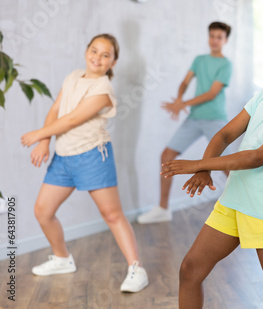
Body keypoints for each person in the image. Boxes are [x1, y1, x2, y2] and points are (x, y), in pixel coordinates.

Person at [161, 34, 263, 308]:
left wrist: (198, 165)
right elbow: (225, 134)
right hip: (234, 201)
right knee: (190, 270)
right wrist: (204, 169)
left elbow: (256, 157)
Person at [20, 34, 148, 293]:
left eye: (105, 55)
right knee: (43, 211)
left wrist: (37, 134)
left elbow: (71, 120)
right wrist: (45, 142)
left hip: (92, 155)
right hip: (63, 156)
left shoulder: (103, 89)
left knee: (111, 214)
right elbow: (56, 111)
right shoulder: (73, 76)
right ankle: (62, 258)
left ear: (113, 62)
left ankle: (137, 269)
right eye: (94, 50)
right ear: (86, 51)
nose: (98, 58)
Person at [137, 21, 233, 224]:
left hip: (215, 117)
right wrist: (180, 99)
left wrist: (183, 104)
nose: (214, 40)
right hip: (195, 117)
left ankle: (244, 208)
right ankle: (163, 208)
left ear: (225, 40)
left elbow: (212, 93)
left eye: (219, 37)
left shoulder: (226, 64)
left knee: (227, 165)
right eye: (212, 36)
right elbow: (185, 81)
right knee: (167, 155)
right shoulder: (199, 59)